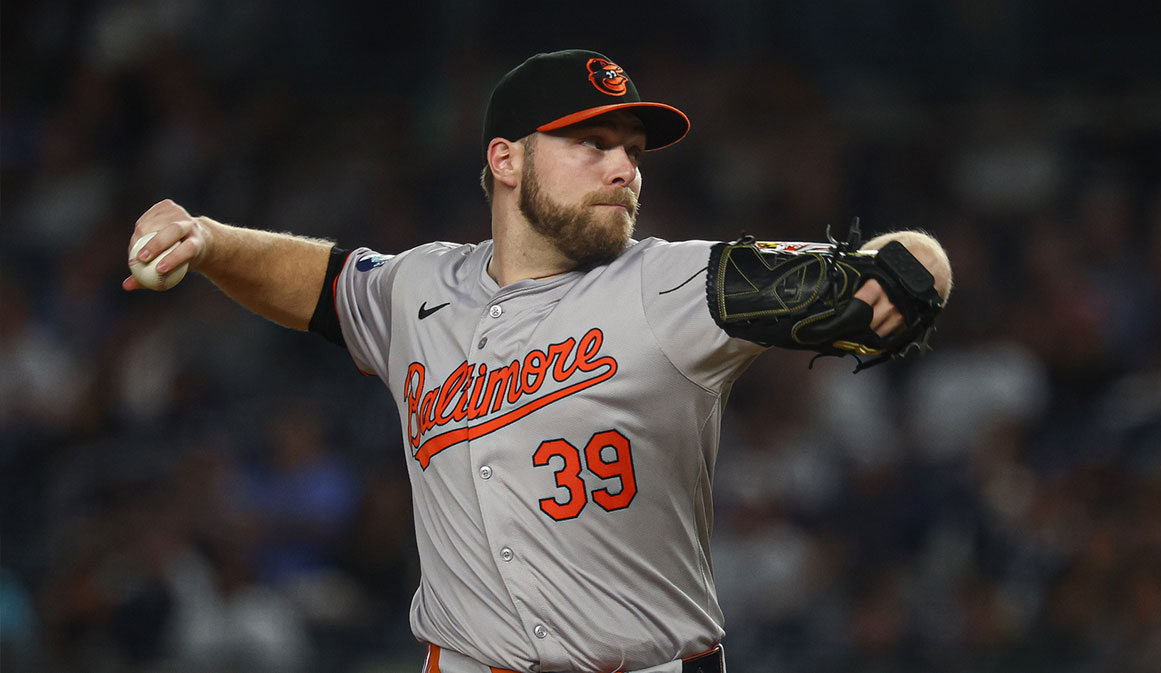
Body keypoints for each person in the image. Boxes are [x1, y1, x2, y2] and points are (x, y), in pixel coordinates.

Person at [124, 49, 952, 673]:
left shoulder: (679, 283)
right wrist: (210, 240)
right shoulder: (420, 287)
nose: (624, 167)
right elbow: (325, 282)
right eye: (592, 143)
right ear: (506, 159)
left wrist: (912, 268)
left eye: (632, 150)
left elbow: (886, 268)